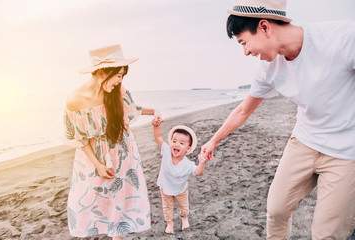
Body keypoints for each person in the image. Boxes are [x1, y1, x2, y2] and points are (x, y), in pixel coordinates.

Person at [200, 0, 355, 239]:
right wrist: (213, 141)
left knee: (327, 233)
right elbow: (243, 110)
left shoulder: (341, 38)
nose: (246, 52)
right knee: (276, 210)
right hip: (304, 142)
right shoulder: (268, 68)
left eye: (243, 42)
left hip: (346, 153)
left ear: (264, 27)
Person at [63, 45, 159, 239]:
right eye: (118, 76)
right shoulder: (74, 100)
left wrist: (154, 111)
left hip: (122, 152)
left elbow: (132, 109)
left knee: (119, 200)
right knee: (90, 201)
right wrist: (98, 165)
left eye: (122, 76)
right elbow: (79, 138)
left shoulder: (117, 90)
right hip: (92, 158)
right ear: (100, 72)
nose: (120, 81)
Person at [151, 117, 208, 234]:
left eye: (181, 143)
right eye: (174, 141)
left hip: (181, 190)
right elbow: (158, 137)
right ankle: (170, 223)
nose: (176, 144)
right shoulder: (166, 150)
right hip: (165, 187)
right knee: (167, 208)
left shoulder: (187, 164)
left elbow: (198, 172)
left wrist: (202, 163)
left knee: (184, 206)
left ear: (188, 149)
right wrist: (156, 126)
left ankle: (184, 218)